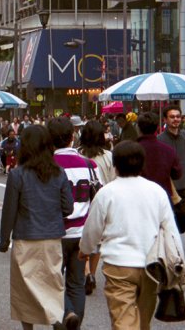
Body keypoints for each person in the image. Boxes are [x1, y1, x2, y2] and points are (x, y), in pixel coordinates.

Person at [78, 141, 184, 329]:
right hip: (152, 264)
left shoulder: (106, 193)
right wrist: (178, 263)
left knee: (123, 319)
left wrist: (84, 250)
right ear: (142, 164)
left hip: (119, 265)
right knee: (143, 320)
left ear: (115, 165)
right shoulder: (157, 191)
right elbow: (171, 231)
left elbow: (92, 228)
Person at [0, 125, 74, 330]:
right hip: (52, 238)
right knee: (52, 284)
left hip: (26, 237)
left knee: (25, 289)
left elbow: (9, 211)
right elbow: (68, 206)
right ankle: (59, 317)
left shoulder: (17, 175)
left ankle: (32, 327)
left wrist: (4, 240)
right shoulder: (58, 172)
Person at [47, 116, 103, 329]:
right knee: (77, 282)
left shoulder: (47, 165)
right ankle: (74, 323)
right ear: (73, 137)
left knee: (51, 281)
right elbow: (99, 198)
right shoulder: (89, 165)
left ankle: (66, 315)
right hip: (82, 232)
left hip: (55, 233)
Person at [77, 120, 116, 296]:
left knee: (82, 238)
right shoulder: (109, 156)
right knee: (98, 242)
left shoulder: (77, 154)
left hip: (81, 202)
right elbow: (115, 181)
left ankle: (85, 271)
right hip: (103, 203)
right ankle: (92, 273)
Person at [158, 105, 185, 233]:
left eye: (178, 116)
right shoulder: (160, 140)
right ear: (165, 119)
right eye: (172, 117)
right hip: (168, 187)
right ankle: (171, 242)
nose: (175, 119)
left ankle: (174, 235)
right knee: (167, 218)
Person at [136, 112, 182, 197]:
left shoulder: (131, 150)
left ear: (138, 128)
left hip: (139, 197)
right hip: (163, 196)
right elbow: (177, 174)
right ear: (157, 128)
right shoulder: (169, 150)